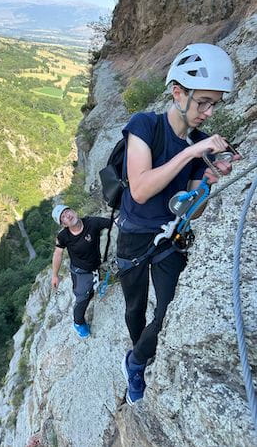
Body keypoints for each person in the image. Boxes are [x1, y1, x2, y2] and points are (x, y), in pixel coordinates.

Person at [117, 43, 241, 405]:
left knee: (168, 307)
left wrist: (207, 183)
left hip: (170, 236)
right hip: (135, 235)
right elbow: (140, 189)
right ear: (178, 93)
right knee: (133, 309)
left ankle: (137, 360)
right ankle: (138, 344)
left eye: (214, 104)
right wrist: (189, 153)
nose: (208, 112)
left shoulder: (200, 144)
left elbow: (189, 209)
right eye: (203, 102)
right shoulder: (144, 126)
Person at [51, 205, 110, 338]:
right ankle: (78, 323)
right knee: (82, 299)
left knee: (91, 293)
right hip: (80, 272)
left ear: (74, 211)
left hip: (95, 266)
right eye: (63, 217)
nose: (68, 216)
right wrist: (54, 275)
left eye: (68, 212)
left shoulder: (92, 223)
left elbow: (113, 221)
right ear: (63, 224)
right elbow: (58, 254)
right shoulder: (63, 236)